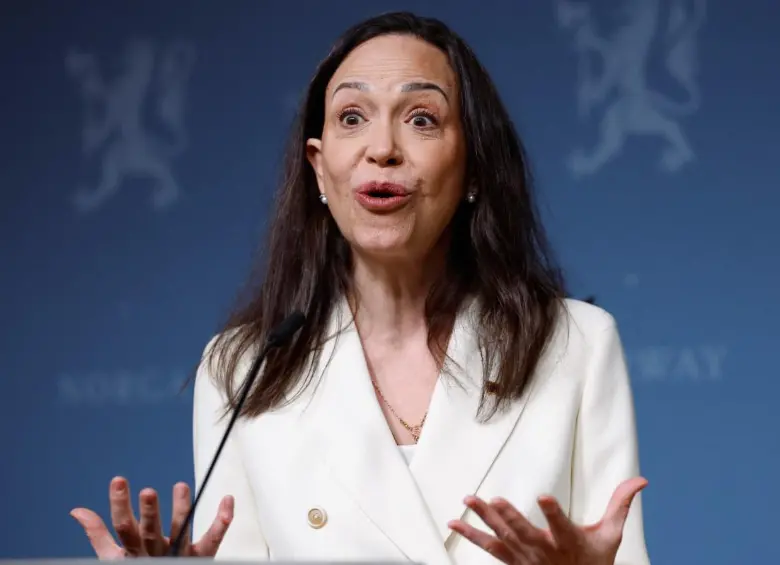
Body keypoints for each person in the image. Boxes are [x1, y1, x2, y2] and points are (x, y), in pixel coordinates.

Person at [71, 11, 651, 565]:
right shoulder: (243, 366)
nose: (382, 148)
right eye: (352, 117)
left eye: (421, 118)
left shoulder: (575, 344)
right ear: (320, 168)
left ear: (474, 165)